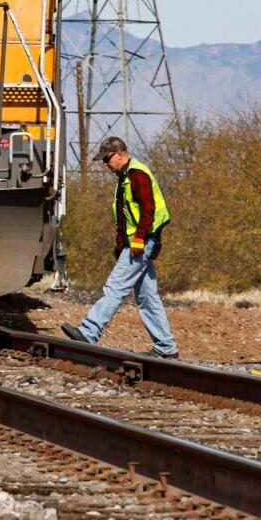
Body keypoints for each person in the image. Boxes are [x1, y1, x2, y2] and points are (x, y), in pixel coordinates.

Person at [61, 136, 179, 359]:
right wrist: (120, 245)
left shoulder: (137, 175)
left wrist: (139, 239)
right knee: (148, 297)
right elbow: (124, 218)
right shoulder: (124, 178)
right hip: (138, 242)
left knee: (115, 287)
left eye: (107, 159)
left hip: (141, 243)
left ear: (120, 154)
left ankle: (89, 332)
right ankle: (166, 346)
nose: (105, 164)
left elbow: (149, 210)